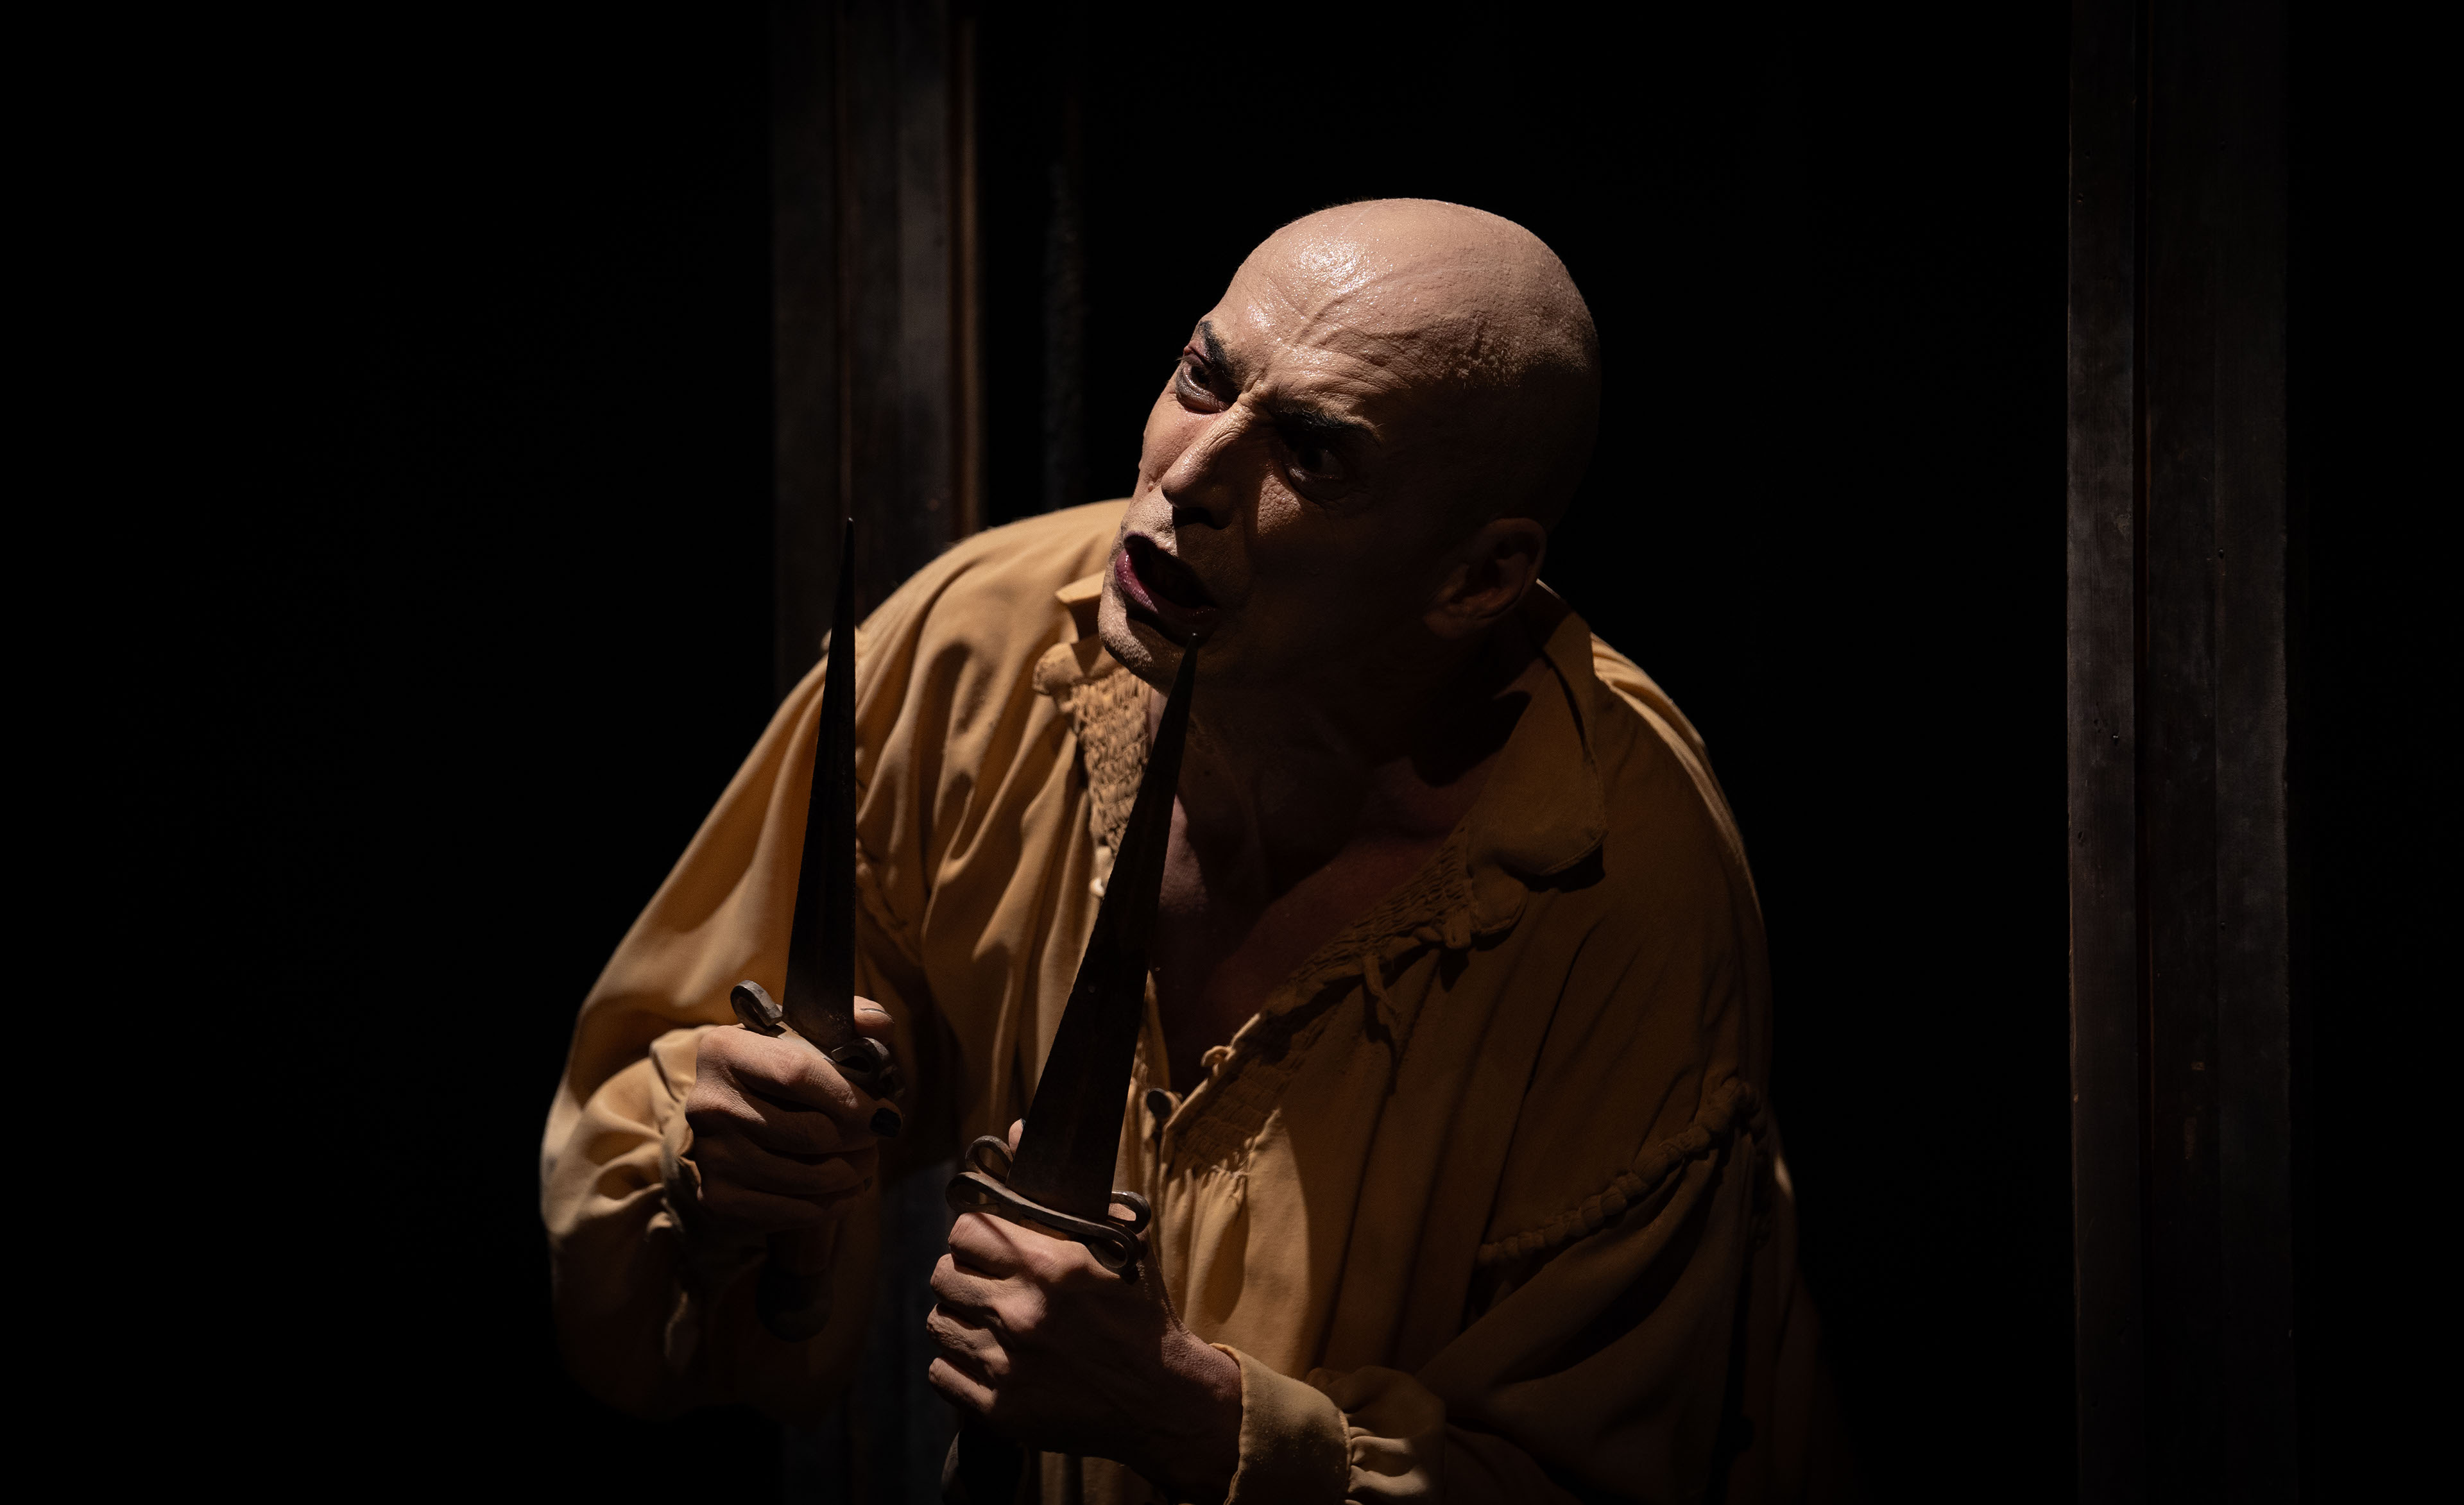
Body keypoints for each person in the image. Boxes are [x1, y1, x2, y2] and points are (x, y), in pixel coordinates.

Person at [543, 199, 1845, 1502]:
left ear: (1478, 579)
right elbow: (657, 1164)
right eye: (1203, 379)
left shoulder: (1617, 874)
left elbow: (1611, 1472)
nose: (1189, 476)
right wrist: (736, 1164)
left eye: (1313, 454)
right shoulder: (985, 649)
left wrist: (1191, 1416)